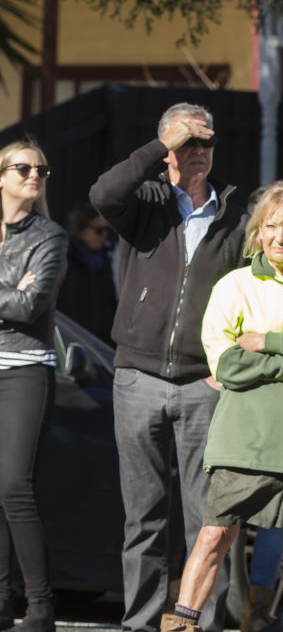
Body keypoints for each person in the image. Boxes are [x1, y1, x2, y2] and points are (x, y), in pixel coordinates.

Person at [160, 181, 283, 632]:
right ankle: (183, 626)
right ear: (257, 231)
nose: (280, 237)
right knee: (214, 535)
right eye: (270, 226)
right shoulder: (234, 285)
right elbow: (227, 365)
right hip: (244, 435)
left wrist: (267, 344)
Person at [89, 102, 249, 632]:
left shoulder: (236, 211)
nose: (198, 151)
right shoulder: (146, 202)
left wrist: (228, 366)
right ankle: (141, 623)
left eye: (206, 141)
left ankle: (205, 623)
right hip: (137, 379)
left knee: (211, 520)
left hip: (206, 383)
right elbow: (102, 192)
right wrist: (163, 144)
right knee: (144, 520)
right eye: (187, 143)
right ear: (167, 150)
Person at [0, 141, 68, 632]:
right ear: (1, 176)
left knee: (14, 486)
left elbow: (29, 308)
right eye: (23, 168)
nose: (34, 176)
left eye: (40, 170)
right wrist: (12, 288)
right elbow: (15, 299)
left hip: (26, 365)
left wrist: (20, 294)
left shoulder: (50, 237)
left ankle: (41, 608)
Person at [57, 203, 117, 345]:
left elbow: (110, 300)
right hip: (72, 338)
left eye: (107, 230)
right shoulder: (64, 257)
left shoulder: (105, 258)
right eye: (99, 230)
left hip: (102, 341)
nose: (104, 235)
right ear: (82, 229)